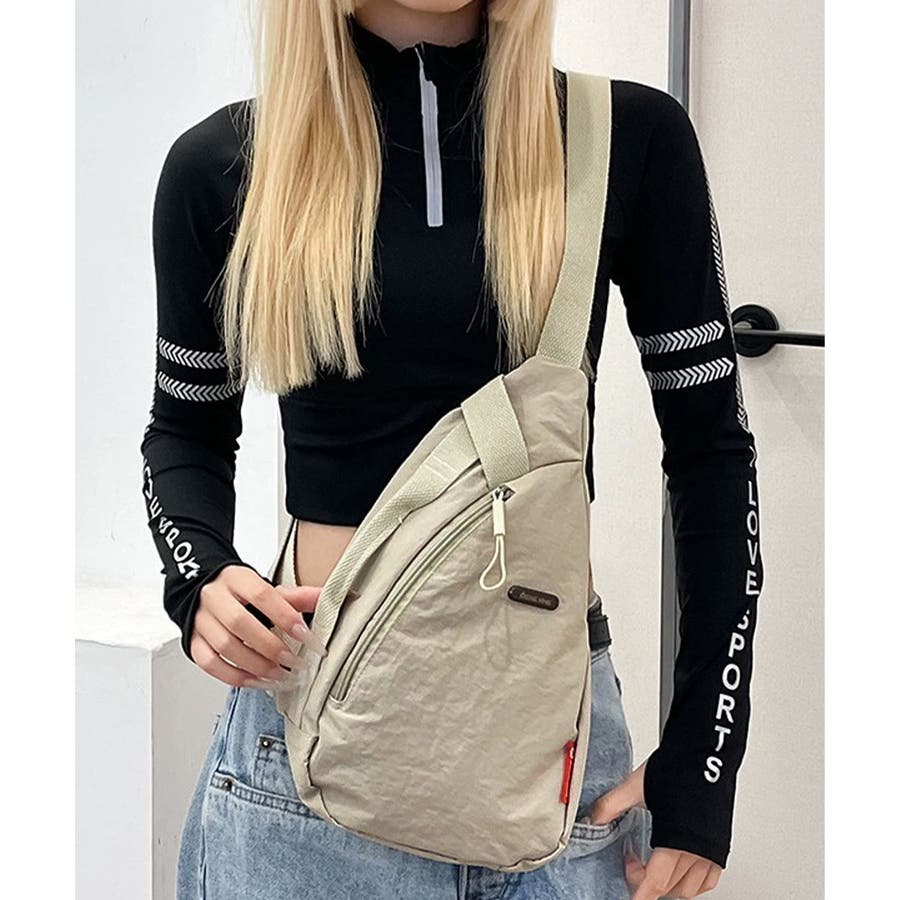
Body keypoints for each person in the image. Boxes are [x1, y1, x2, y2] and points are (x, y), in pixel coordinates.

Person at [139, 2, 764, 898]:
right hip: (310, 762)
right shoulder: (225, 165)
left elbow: (711, 454)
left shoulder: (627, 139)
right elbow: (185, 430)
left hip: (555, 763)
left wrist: (707, 756)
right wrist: (198, 577)